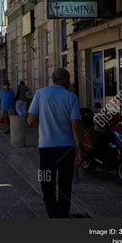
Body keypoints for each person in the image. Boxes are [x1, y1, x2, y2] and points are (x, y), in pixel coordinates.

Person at [27, 68, 83, 218]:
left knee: (46, 184)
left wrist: (42, 125)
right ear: (65, 80)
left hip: (46, 149)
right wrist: (79, 150)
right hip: (67, 148)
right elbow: (75, 126)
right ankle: (64, 214)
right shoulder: (72, 97)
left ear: (52, 79)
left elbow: (30, 119)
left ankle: (54, 215)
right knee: (65, 185)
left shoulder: (40, 94)